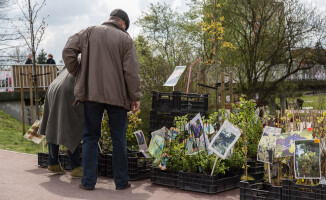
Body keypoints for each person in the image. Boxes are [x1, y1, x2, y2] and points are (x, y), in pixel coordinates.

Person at [62, 9, 142, 191]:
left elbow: (68, 50)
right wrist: (135, 96)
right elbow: (131, 72)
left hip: (91, 94)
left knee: (90, 137)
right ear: (122, 23)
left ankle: (88, 182)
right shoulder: (126, 39)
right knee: (118, 139)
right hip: (118, 97)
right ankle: (121, 183)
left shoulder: (88, 32)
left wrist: (78, 72)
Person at [39, 68, 84, 178]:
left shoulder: (76, 58)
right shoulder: (89, 59)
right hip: (69, 90)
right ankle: (76, 167)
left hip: (54, 87)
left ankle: (52, 162)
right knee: (72, 126)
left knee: (53, 125)